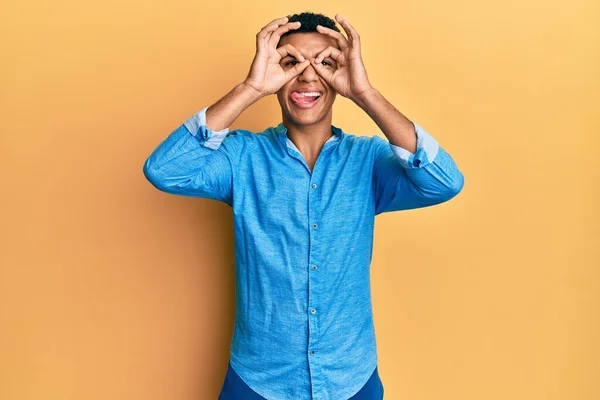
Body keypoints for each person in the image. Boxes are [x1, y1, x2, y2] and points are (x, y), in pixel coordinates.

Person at [143, 11, 464, 400]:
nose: (309, 77)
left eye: (326, 64)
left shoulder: (368, 161)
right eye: (291, 63)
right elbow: (164, 170)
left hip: (351, 378)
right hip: (258, 380)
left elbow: (445, 182)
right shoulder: (243, 158)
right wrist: (251, 87)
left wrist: (365, 94)